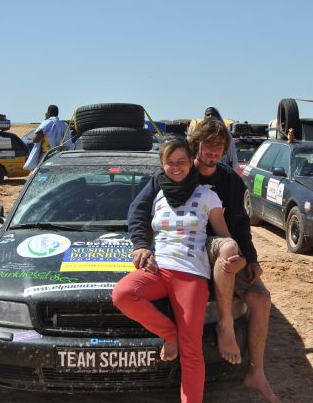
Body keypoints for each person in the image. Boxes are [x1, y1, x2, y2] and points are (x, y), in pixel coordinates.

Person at [128, 118, 279, 403]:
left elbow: (239, 224)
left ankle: (256, 372)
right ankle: (225, 325)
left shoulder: (230, 180)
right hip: (185, 255)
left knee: (260, 298)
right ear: (195, 145)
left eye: (219, 145)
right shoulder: (176, 172)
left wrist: (251, 259)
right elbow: (139, 210)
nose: (213, 151)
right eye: (208, 144)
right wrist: (141, 245)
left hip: (220, 250)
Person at [113, 138, 241, 403]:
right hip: (158, 270)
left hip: (191, 275)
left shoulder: (207, 195)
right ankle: (170, 334)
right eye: (169, 162)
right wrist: (142, 246)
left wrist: (238, 257)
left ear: (191, 161)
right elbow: (138, 217)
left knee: (192, 352)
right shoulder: (157, 193)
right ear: (162, 164)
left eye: (181, 161)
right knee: (123, 294)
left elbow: (224, 236)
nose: (176, 167)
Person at [203, 106, 239, 171]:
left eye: (212, 114)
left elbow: (232, 158)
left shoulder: (226, 135)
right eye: (208, 115)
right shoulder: (201, 134)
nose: (210, 117)